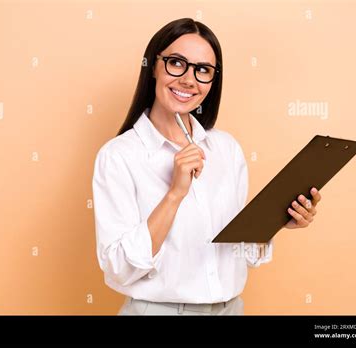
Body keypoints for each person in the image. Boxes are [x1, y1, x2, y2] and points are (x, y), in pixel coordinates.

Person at [92, 18, 322, 315]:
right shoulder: (118, 156)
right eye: (177, 63)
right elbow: (119, 267)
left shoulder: (226, 149)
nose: (189, 80)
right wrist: (175, 193)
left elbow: (241, 253)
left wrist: (276, 220)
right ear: (153, 67)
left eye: (202, 70)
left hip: (230, 309)